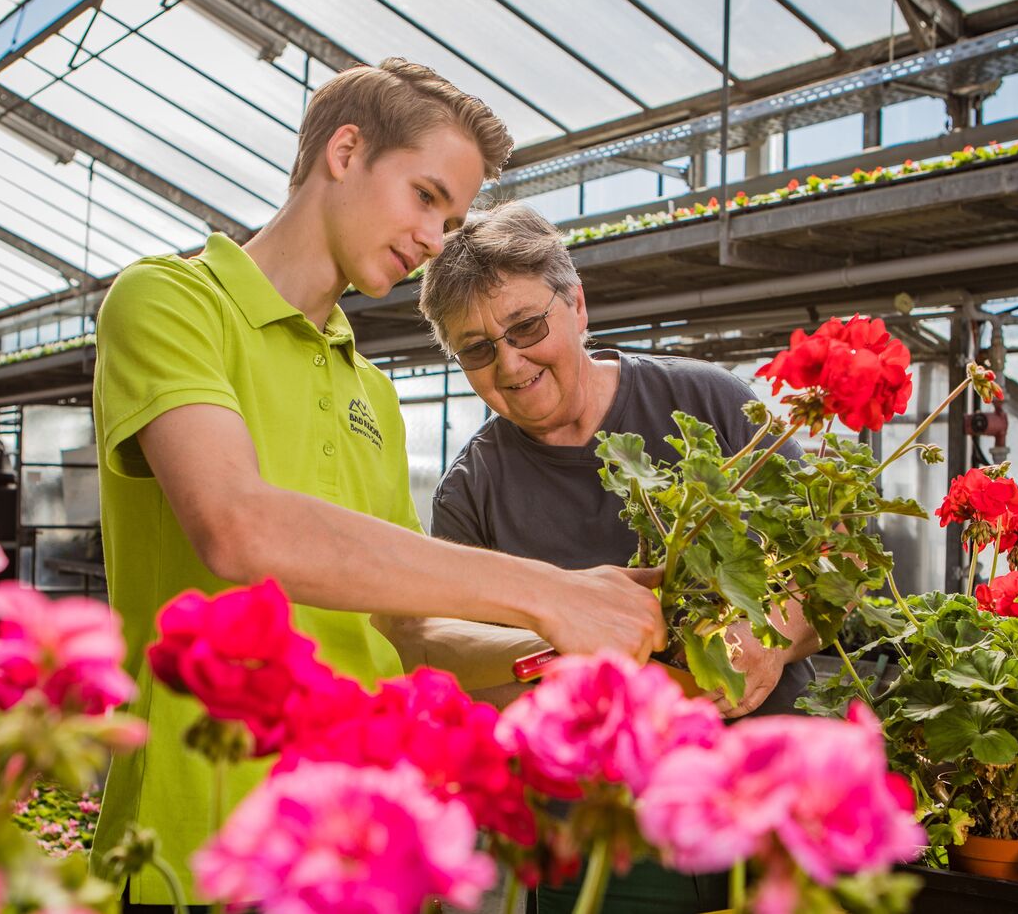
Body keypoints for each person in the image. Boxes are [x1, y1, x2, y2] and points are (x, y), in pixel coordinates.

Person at [90, 61, 666, 910]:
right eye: (426, 196)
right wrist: (549, 592)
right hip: (202, 847)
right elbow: (240, 529)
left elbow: (408, 631)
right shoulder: (172, 304)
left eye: (454, 216)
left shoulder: (374, 393)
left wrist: (581, 662)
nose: (438, 237)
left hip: (356, 855)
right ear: (347, 150)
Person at [387, 202, 820, 914]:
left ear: (578, 304)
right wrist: (564, 656)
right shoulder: (474, 487)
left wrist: (769, 634)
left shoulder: (706, 399)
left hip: (768, 796)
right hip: (602, 841)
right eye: (476, 349)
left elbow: (834, 568)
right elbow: (449, 660)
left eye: (526, 327)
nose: (511, 362)